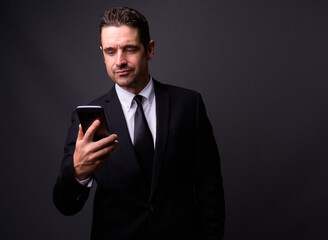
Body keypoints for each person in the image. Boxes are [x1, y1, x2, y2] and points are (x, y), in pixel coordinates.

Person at [53, 7, 225, 240]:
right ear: (102, 53)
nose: (120, 61)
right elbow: (65, 205)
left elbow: (210, 188)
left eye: (130, 49)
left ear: (150, 49)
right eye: (111, 51)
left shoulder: (189, 105)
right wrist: (78, 174)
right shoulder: (88, 119)